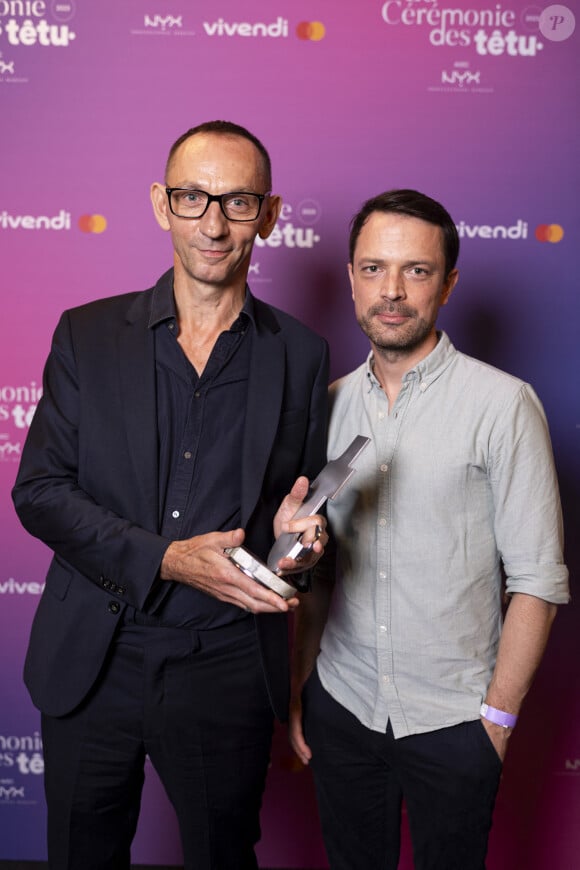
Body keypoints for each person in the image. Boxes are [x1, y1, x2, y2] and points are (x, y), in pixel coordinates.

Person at [12, 120, 330, 870]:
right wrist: (165, 560)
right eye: (193, 198)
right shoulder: (87, 335)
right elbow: (40, 492)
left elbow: (308, 534)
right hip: (93, 654)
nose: (213, 224)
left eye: (237, 202)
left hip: (222, 666)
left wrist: (300, 546)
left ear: (271, 213)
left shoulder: (302, 355)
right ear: (162, 205)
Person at [289, 189, 569, 870]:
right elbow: (318, 576)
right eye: (373, 268)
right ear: (352, 279)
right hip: (343, 705)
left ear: (447, 284)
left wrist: (495, 723)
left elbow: (537, 580)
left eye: (415, 270)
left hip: (454, 722)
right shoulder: (324, 408)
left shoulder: (502, 405)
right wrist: (302, 693)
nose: (392, 290)